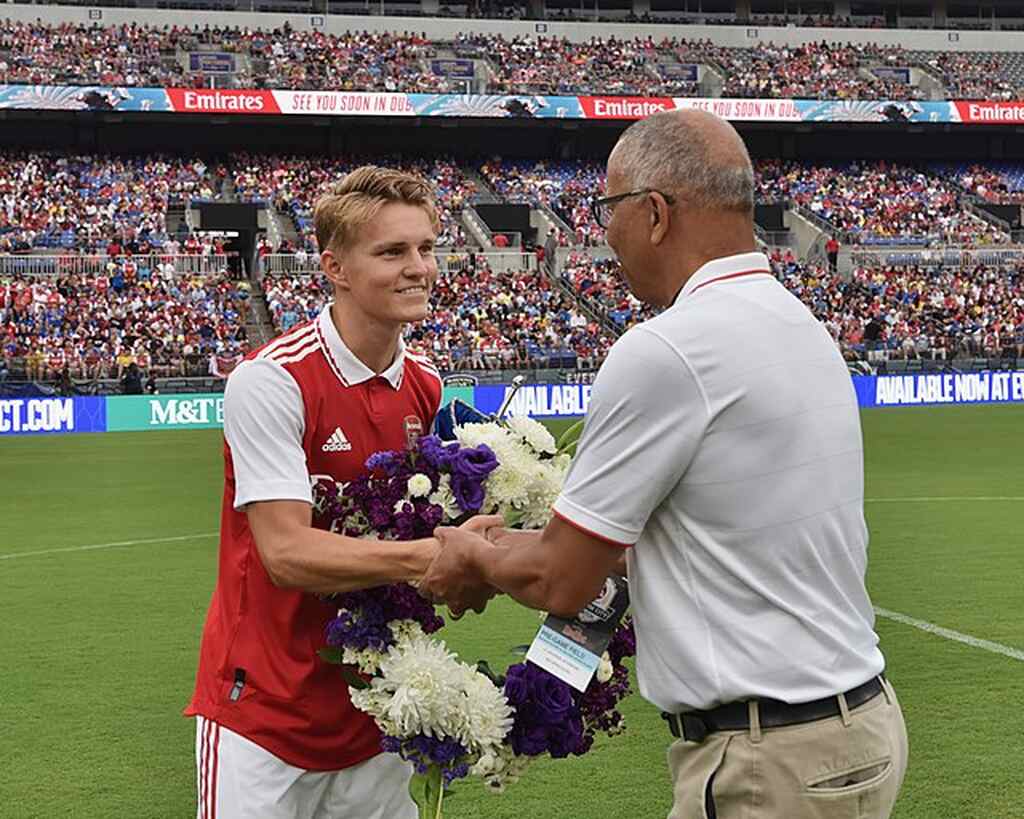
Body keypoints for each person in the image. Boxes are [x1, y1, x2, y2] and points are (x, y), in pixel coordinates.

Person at [420, 110, 908, 819]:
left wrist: (471, 551)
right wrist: (507, 547)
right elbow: (679, 544)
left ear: (653, 213)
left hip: (766, 756)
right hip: (853, 726)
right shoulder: (800, 323)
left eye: (606, 210)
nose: (603, 237)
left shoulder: (670, 350)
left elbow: (565, 576)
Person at [184, 166, 489, 819]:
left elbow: (424, 533)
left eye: (427, 248)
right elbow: (286, 554)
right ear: (335, 267)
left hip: (375, 712)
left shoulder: (426, 384)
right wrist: (441, 554)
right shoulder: (273, 381)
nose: (419, 268)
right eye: (392, 251)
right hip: (262, 714)